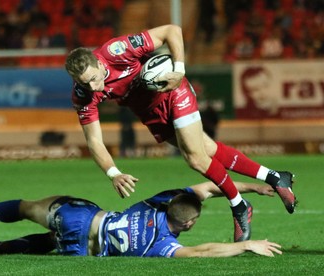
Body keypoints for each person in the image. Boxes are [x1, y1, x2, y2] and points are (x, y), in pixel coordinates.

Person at [64, 24, 296, 242]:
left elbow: (171, 30)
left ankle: (238, 205)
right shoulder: (83, 95)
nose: (93, 87)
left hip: (174, 91)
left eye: (93, 79)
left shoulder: (118, 51)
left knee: (195, 158)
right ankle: (275, 177)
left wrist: (179, 69)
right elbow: (94, 140)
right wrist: (113, 173)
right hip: (150, 114)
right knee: (208, 150)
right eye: (85, 84)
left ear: (98, 62)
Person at [0, 181, 282, 257]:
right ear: (189, 223)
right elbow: (199, 251)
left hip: (81, 217)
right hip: (85, 250)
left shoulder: (156, 203)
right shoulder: (161, 244)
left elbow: (209, 187)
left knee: (27, 208)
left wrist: (252, 186)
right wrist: (246, 245)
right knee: (50, 243)